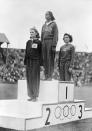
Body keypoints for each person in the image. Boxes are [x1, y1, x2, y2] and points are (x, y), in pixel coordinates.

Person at [24, 27, 42, 101]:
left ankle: (35, 96)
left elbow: (41, 54)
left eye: (33, 32)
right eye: (30, 32)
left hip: (36, 62)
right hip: (29, 62)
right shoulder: (28, 42)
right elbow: (26, 53)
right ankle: (31, 95)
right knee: (29, 79)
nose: (31, 33)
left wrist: (41, 64)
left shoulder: (39, 42)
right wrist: (25, 62)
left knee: (35, 79)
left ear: (36, 33)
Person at [41, 11, 58, 80]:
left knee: (49, 59)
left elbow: (55, 35)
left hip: (50, 42)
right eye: (45, 14)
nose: (46, 16)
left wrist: (53, 45)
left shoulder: (54, 24)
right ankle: (45, 75)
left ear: (51, 16)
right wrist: (41, 43)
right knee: (44, 59)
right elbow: (42, 35)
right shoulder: (44, 25)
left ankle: (50, 76)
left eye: (47, 14)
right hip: (44, 42)